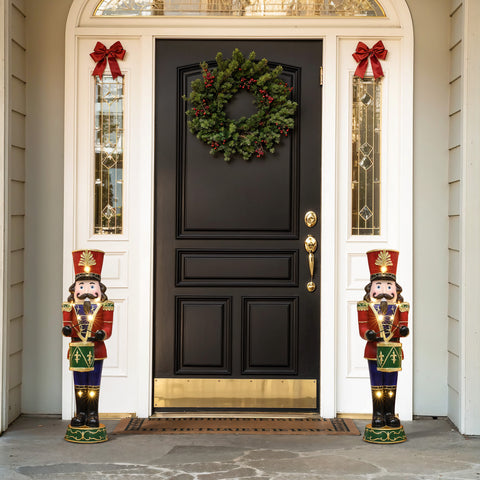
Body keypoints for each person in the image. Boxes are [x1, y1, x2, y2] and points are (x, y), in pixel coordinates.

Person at [357, 249, 409, 429]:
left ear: (396, 288)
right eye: (378, 286)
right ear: (371, 289)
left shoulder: (401, 306)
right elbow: (363, 327)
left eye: (388, 286)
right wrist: (368, 334)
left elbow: (404, 326)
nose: (383, 291)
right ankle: (377, 414)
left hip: (393, 348)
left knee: (391, 384)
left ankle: (390, 413)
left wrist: (403, 330)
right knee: (377, 384)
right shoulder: (365, 306)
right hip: (374, 350)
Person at [62, 249, 113, 428]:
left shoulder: (105, 307)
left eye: (92, 286)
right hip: (77, 348)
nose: (86, 291)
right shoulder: (69, 307)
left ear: (99, 288)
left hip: (96, 349)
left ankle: (93, 414)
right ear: (74, 289)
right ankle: (80, 413)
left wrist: (102, 334)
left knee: (93, 384)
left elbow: (108, 327)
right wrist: (67, 330)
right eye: (81, 286)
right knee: (79, 383)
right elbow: (66, 325)